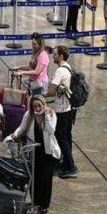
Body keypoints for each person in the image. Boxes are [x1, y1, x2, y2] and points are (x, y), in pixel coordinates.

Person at [4, 96, 61, 214]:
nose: (37, 108)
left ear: (43, 105)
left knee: (45, 178)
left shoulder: (51, 115)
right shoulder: (28, 115)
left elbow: (51, 131)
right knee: (33, 177)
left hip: (48, 152)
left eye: (39, 105)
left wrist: (47, 117)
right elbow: (22, 127)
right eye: (35, 106)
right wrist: (15, 135)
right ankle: (35, 201)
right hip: (34, 150)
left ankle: (44, 204)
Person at [43, 45, 79, 179]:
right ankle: (67, 163)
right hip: (69, 109)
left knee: (61, 137)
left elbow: (52, 91)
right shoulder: (68, 67)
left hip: (62, 110)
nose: (53, 55)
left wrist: (42, 95)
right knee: (66, 137)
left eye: (56, 54)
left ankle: (70, 167)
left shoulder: (60, 71)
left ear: (61, 56)